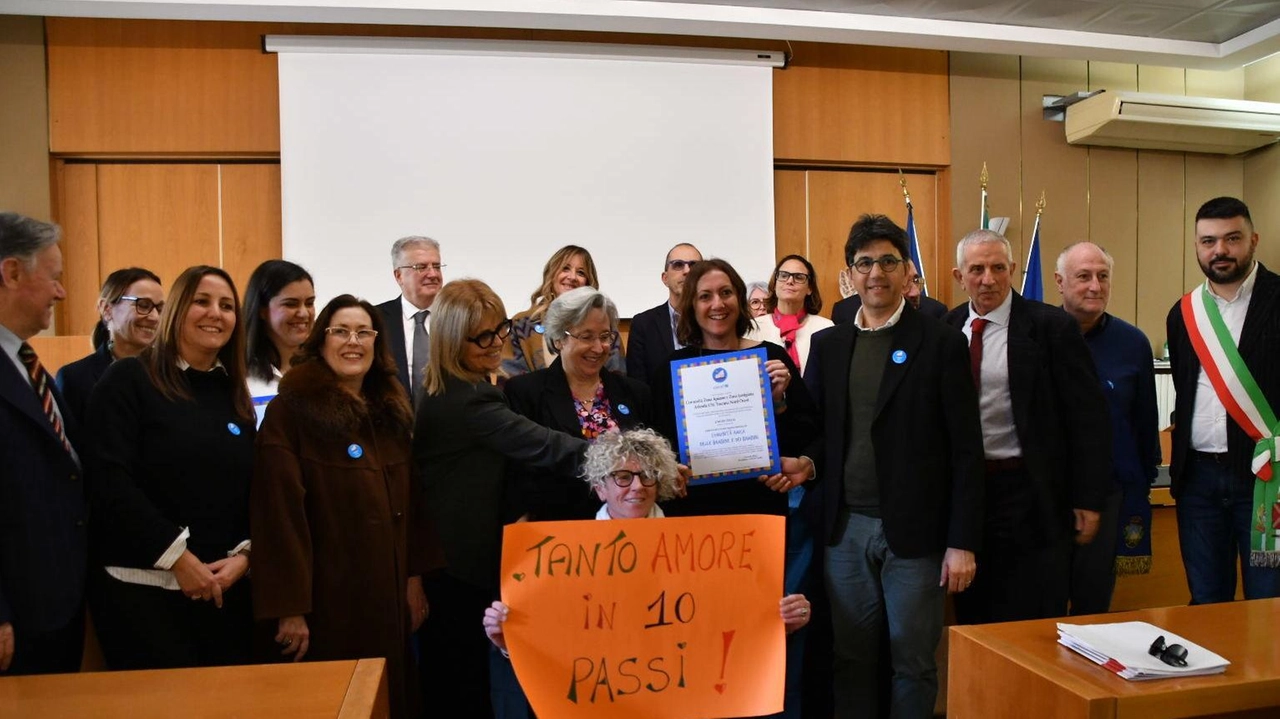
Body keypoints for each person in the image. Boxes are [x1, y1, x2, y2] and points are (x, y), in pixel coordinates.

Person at [482, 429, 813, 712]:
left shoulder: (702, 550)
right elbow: (550, 644)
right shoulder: (559, 559)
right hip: (599, 707)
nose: (637, 487)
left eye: (647, 475)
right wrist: (506, 640)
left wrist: (782, 623)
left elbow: (729, 627)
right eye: (623, 477)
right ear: (600, 487)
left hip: (682, 704)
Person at [804, 214, 984, 719]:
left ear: (907, 272)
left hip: (917, 535)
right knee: (851, 657)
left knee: (913, 660)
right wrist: (804, 461)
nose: (876, 273)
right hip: (846, 530)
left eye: (888, 261)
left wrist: (962, 541)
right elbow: (820, 433)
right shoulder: (830, 344)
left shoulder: (941, 341)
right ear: (849, 275)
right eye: (865, 263)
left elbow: (967, 449)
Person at [250, 295, 443, 719]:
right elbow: (278, 515)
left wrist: (414, 580)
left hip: (388, 599)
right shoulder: (290, 412)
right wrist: (290, 609)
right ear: (321, 342)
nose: (352, 342)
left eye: (364, 332)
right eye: (341, 331)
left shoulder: (390, 413)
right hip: (326, 604)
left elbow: (414, 506)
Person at [413, 278, 589, 715]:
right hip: (455, 569)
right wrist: (624, 456)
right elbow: (545, 444)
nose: (497, 343)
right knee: (461, 689)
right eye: (483, 336)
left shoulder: (457, 385)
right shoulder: (467, 399)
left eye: (502, 328)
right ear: (454, 340)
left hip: (453, 563)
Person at [85, 265, 255, 669]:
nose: (216, 313)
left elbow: (252, 486)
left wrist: (246, 556)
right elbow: (109, 481)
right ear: (177, 309)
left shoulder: (230, 391)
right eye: (202, 301)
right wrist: (177, 558)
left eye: (227, 305)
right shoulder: (129, 379)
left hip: (222, 589)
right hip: (145, 591)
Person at [943, 229, 1112, 624]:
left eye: (998, 268)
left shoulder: (1052, 328)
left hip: (1031, 495)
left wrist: (1088, 498)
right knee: (974, 615)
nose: (989, 279)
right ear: (959, 276)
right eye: (977, 269)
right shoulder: (946, 331)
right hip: (969, 497)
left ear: (1013, 270)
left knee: (1034, 614)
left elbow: (1088, 418)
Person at [1166, 196, 1280, 603]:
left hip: (1267, 481)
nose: (1220, 251)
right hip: (1198, 480)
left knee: (1269, 604)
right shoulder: (1183, 313)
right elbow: (1185, 387)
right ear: (1197, 246)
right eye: (1208, 241)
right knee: (1206, 602)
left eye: (1232, 239)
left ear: (1253, 240)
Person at [651, 257, 819, 519]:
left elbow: (806, 435)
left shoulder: (771, 358)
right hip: (693, 508)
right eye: (705, 296)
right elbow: (660, 442)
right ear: (692, 306)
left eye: (726, 293)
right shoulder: (673, 369)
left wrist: (778, 402)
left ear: (739, 299)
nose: (718, 304)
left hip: (761, 504)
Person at [0, 213, 86, 675]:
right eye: (53, 278)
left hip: (55, 604)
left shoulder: (30, 365)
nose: (62, 292)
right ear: (11, 273)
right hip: (14, 613)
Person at [1055, 241, 1161, 615]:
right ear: (1060, 282)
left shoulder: (1132, 343)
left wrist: (1145, 479)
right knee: (1041, 606)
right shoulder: (1037, 334)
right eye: (1083, 277)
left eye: (1103, 276)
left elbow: (1144, 419)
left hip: (1108, 494)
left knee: (1093, 602)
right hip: (1046, 496)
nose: (1095, 286)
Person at [504, 286, 653, 521]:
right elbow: (517, 474)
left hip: (629, 533)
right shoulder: (525, 393)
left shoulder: (635, 393)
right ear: (559, 339)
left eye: (605, 337)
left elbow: (651, 461)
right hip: (558, 532)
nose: (598, 347)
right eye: (586, 337)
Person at [57, 267, 164, 428]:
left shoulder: (172, 376)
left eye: (160, 309)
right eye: (143, 305)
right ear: (107, 309)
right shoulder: (74, 378)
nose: (154, 317)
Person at [504, 245, 624, 378]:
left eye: (581, 273)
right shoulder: (521, 324)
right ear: (552, 274)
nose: (572, 277)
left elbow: (617, 376)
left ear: (588, 282)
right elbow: (512, 381)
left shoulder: (605, 324)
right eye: (565, 269)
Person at [242, 260, 315, 425]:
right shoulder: (237, 374)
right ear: (261, 309)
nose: (304, 313)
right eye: (291, 304)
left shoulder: (324, 369)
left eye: (309, 303)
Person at [376, 236, 445, 406]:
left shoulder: (457, 318)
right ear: (398, 275)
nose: (433, 274)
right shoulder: (376, 319)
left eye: (436, 266)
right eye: (421, 267)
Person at [625, 243, 703, 383]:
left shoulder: (716, 321)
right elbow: (638, 386)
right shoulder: (643, 325)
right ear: (665, 278)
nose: (687, 271)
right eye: (678, 265)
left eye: (694, 265)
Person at [748, 254, 833, 376]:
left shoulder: (825, 327)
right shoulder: (754, 328)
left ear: (809, 288)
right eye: (783, 275)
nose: (790, 281)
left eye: (798, 277)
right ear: (775, 283)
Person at [831, 259, 948, 324]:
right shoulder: (844, 311)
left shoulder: (935, 311)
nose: (915, 292)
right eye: (906, 282)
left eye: (916, 280)